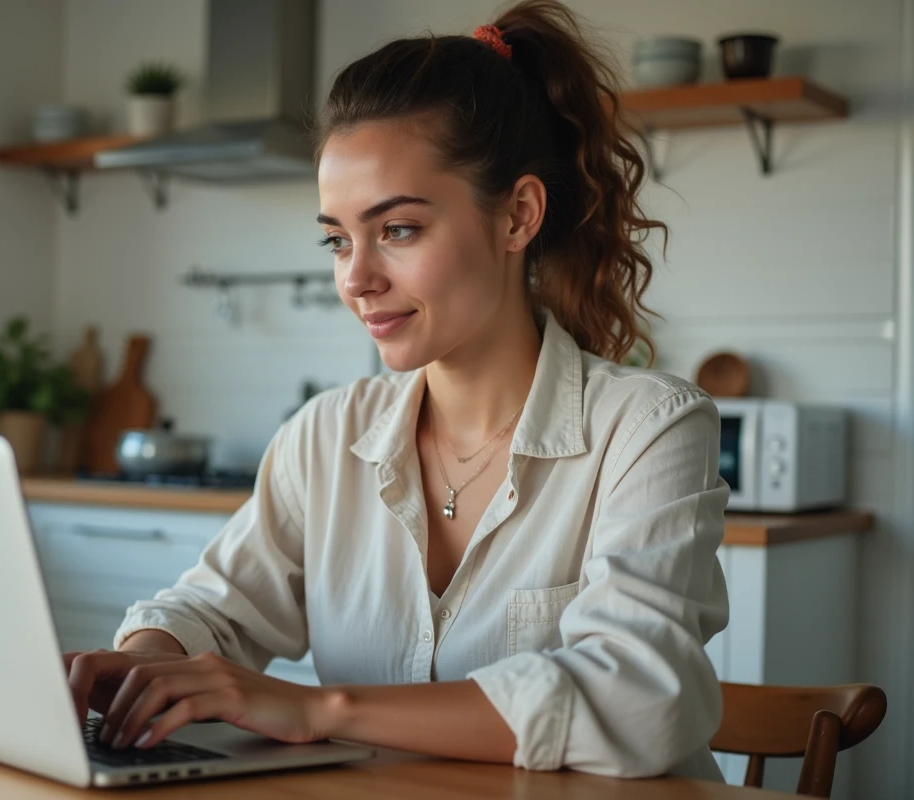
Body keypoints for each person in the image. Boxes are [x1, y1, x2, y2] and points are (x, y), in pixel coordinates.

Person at [64, 0, 729, 780]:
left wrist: (317, 709)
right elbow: (210, 609)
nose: (356, 277)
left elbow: (638, 705)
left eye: (399, 229)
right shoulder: (324, 435)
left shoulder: (649, 428)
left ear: (517, 216)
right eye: (338, 238)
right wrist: (147, 665)